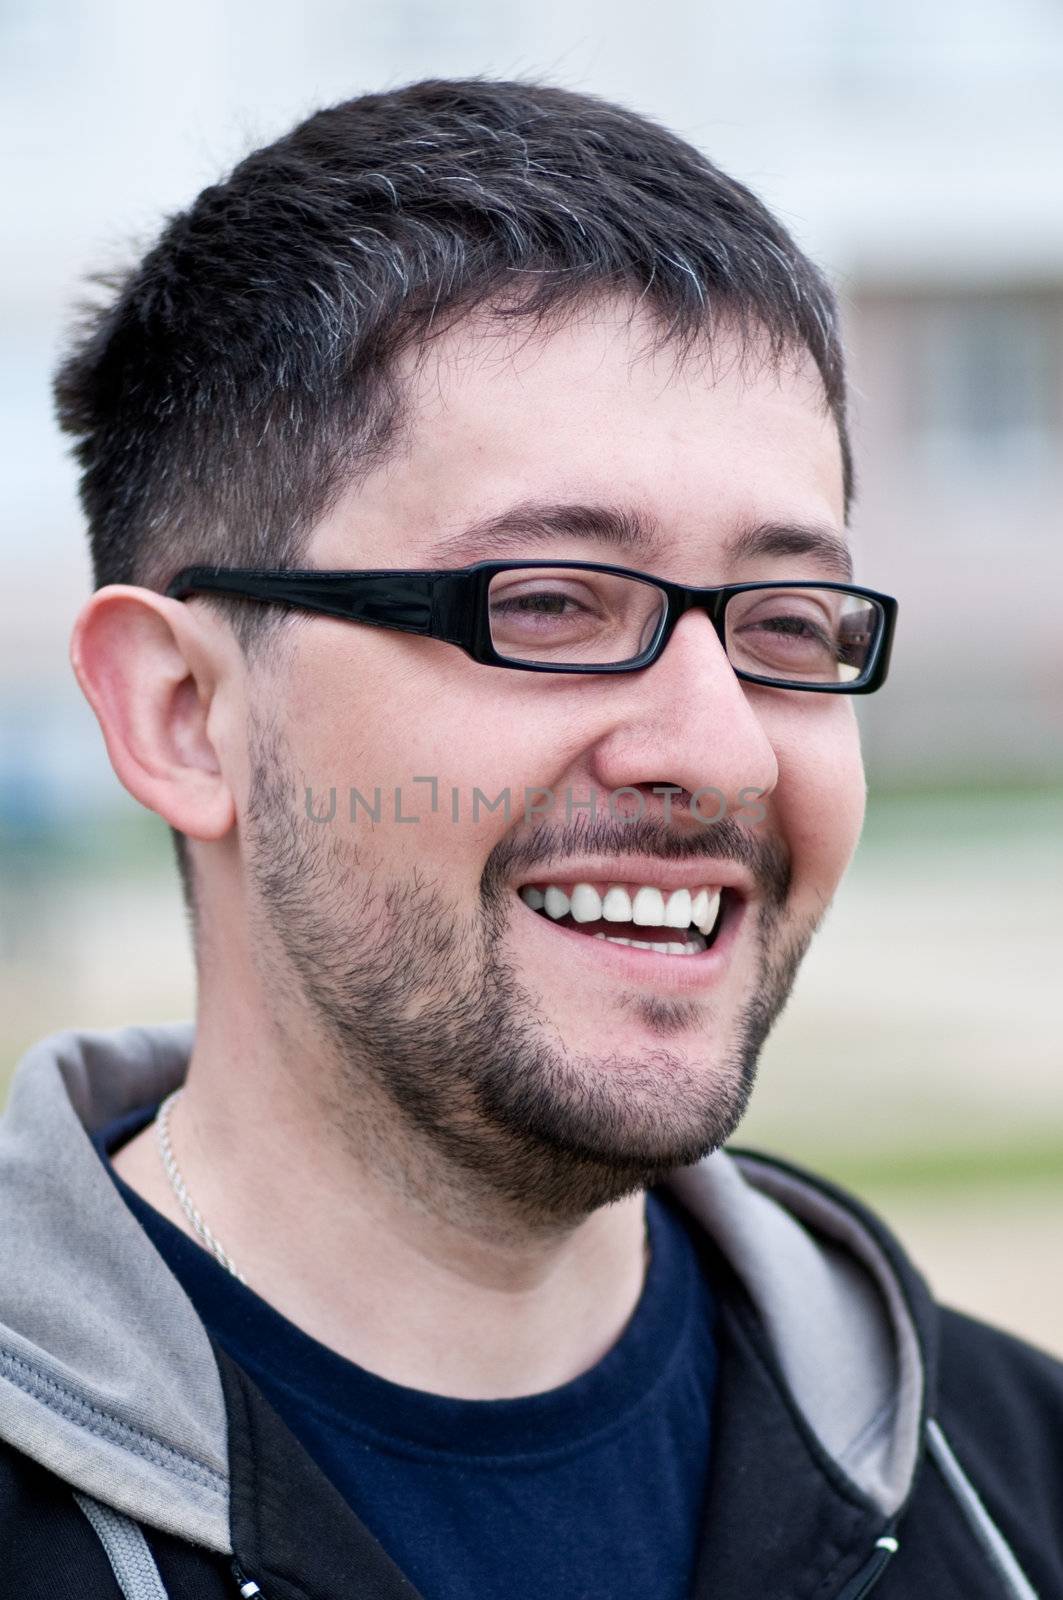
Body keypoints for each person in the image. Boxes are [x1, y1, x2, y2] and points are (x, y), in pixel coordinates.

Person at [0, 77, 1058, 1600]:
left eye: (785, 623)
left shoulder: (1014, 1483)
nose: (720, 746)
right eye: (550, 605)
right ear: (181, 712)